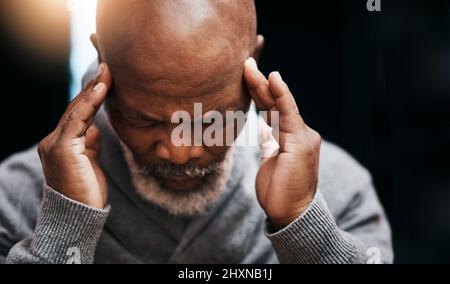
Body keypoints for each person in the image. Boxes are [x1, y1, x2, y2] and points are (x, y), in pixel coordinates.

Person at [0, 0, 392, 264]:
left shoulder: (340, 192)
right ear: (102, 60)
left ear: (252, 61)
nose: (180, 152)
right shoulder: (16, 198)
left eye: (207, 121)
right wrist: (65, 226)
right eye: (146, 120)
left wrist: (304, 224)